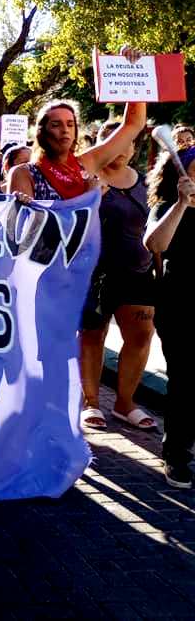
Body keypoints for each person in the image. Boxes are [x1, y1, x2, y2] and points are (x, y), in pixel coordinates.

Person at [78, 122, 156, 431]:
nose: (121, 149)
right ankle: (91, 402)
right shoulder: (87, 180)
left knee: (140, 335)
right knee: (93, 334)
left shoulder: (147, 184)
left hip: (137, 273)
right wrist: (90, 197)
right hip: (93, 273)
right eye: (113, 142)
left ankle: (125, 403)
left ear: (134, 148)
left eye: (128, 143)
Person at [144, 147, 195, 488]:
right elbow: (155, 243)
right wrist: (181, 204)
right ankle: (176, 454)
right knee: (186, 381)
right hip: (182, 306)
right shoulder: (167, 208)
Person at [7, 99, 147, 201]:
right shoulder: (24, 173)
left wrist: (133, 67)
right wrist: (89, 195)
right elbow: (25, 232)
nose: (65, 130)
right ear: (41, 132)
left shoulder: (86, 163)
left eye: (70, 124)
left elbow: (133, 123)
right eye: (56, 125)